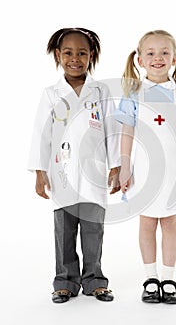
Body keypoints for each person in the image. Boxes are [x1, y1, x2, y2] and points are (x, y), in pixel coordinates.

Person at [28, 27, 121, 303]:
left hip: (94, 175)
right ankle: (65, 281)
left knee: (93, 230)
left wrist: (116, 166)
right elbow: (41, 135)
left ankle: (95, 280)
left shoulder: (100, 91)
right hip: (62, 176)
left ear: (91, 56)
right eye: (68, 52)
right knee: (64, 231)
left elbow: (113, 130)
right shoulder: (51, 94)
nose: (75, 58)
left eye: (82, 53)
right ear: (58, 55)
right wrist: (39, 171)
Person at [115, 30, 176, 304]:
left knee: (170, 222)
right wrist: (124, 166)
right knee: (146, 223)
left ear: (174, 58)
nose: (158, 58)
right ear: (140, 60)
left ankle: (168, 278)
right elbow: (127, 132)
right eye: (151, 53)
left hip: (174, 171)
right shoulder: (133, 94)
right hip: (145, 171)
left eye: (164, 52)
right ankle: (150, 278)